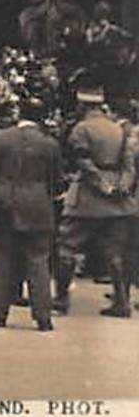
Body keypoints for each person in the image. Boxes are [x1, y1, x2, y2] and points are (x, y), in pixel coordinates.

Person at [0, 96, 59, 331]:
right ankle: (43, 316)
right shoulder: (50, 144)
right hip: (39, 205)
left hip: (4, 203)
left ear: (19, 113)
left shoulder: (2, 139)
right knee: (38, 261)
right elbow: (57, 180)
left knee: (0, 260)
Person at [57, 87, 132, 317]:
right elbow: (128, 162)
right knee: (115, 251)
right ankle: (121, 301)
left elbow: (83, 162)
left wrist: (101, 185)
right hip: (119, 199)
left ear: (84, 105)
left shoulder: (81, 129)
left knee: (66, 246)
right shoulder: (118, 130)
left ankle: (61, 298)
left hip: (88, 197)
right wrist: (123, 185)